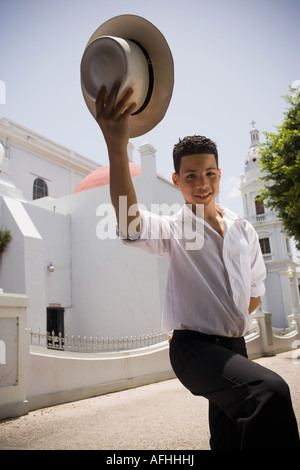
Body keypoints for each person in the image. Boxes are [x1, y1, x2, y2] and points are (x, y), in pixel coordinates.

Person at [96, 82, 300, 450]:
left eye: (209, 173)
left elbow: (254, 294)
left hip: (234, 348)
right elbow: (129, 220)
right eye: (190, 176)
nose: (201, 183)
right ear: (177, 181)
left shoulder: (244, 231)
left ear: (219, 175)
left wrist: (225, 320)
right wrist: (116, 144)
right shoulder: (174, 229)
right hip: (194, 350)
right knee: (270, 393)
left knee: (229, 438)